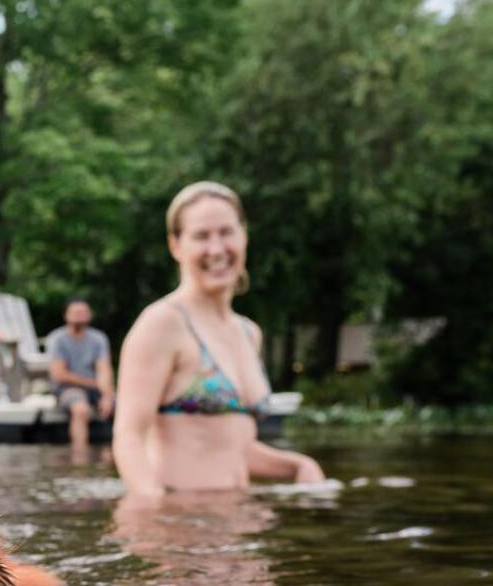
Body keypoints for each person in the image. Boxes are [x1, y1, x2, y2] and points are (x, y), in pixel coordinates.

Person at [114, 181, 324, 497]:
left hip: (241, 522)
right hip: (181, 527)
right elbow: (129, 437)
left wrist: (296, 465)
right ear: (176, 246)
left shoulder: (248, 332)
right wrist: (155, 517)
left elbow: (226, 444)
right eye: (201, 236)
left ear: (244, 236)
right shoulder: (162, 324)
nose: (216, 249)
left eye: (226, 232)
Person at [45, 298, 113, 452]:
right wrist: (95, 384)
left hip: (95, 389)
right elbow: (60, 375)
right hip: (66, 389)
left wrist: (107, 396)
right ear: (66, 315)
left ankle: (119, 454)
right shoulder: (57, 339)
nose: (79, 315)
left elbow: (104, 369)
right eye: (75, 312)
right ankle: (79, 456)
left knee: (123, 407)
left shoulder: (98, 338)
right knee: (81, 409)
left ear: (90, 315)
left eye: (83, 312)